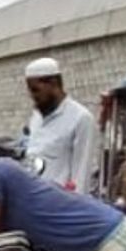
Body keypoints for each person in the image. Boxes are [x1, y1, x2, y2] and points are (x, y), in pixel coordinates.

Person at [24, 57, 98, 194]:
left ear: (53, 83)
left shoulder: (81, 118)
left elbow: (81, 176)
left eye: (35, 90)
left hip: (60, 207)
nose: (32, 96)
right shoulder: (37, 117)